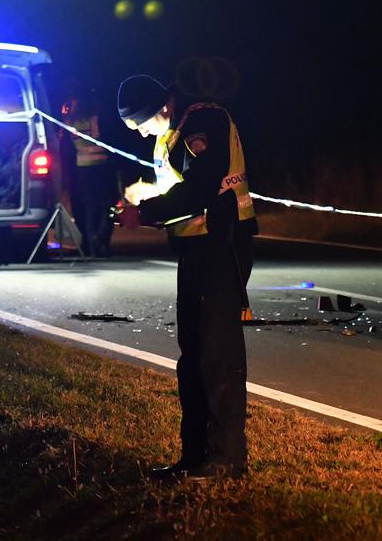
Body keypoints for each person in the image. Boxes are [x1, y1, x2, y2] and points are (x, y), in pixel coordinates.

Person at [117, 74, 257, 482]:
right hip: (195, 248)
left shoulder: (204, 121)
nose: (141, 134)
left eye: (140, 124)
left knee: (217, 354)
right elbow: (182, 187)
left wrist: (142, 214)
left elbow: (200, 189)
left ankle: (228, 459)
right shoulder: (170, 136)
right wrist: (146, 193)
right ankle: (194, 457)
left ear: (162, 108)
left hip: (222, 243)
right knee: (192, 357)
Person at [65, 94, 116, 257]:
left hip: (82, 168)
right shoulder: (95, 118)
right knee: (107, 206)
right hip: (101, 167)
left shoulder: (70, 121)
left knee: (89, 209)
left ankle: (89, 244)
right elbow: (101, 137)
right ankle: (102, 242)